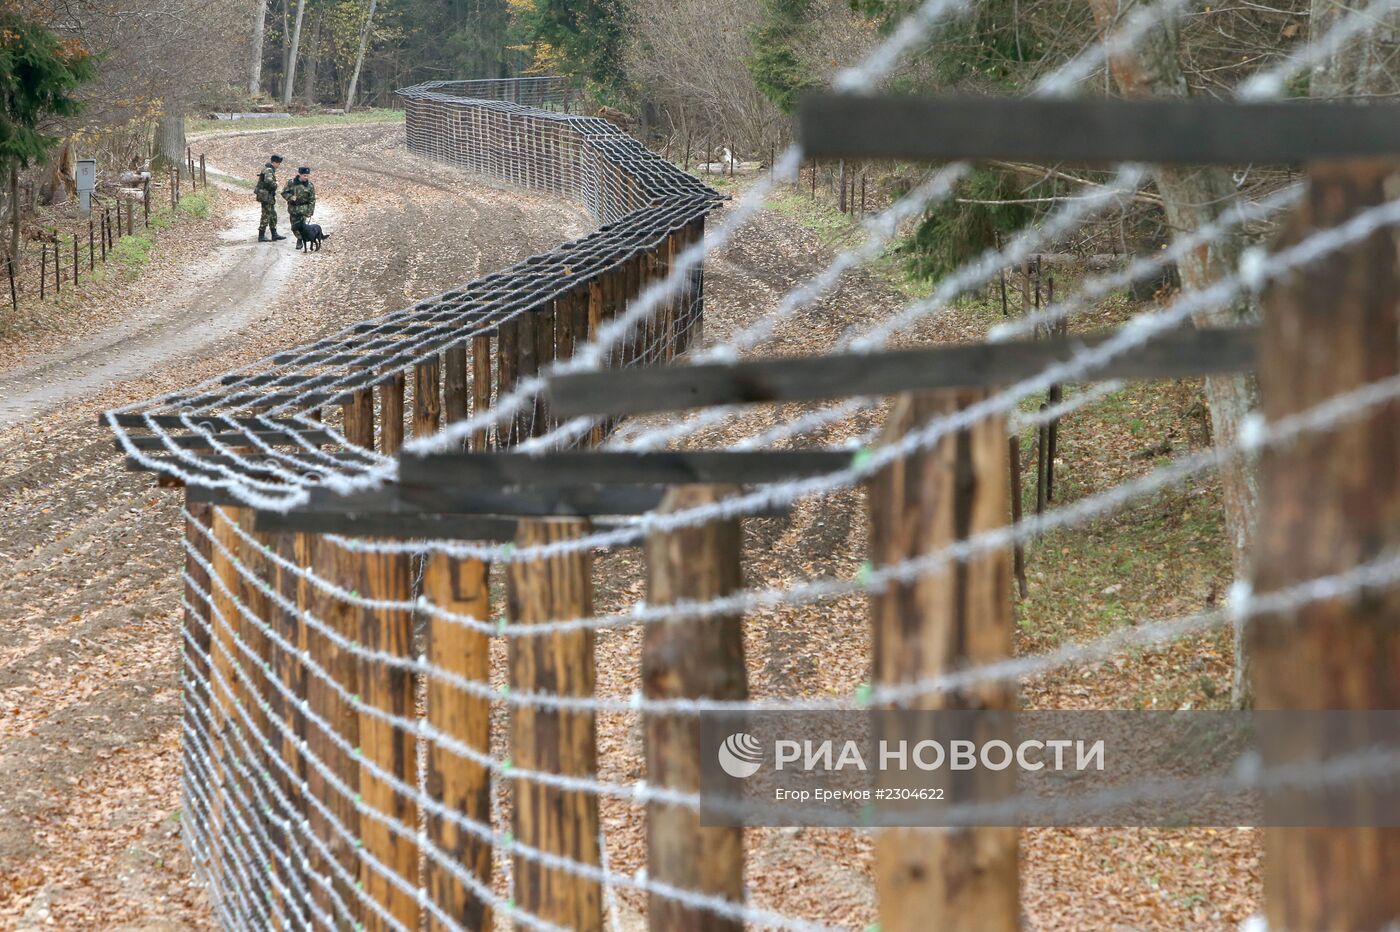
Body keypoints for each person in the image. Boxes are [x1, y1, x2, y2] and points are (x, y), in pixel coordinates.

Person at [281, 166, 316, 245]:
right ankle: (298, 237)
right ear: (299, 174)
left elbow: (312, 200)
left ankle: (300, 240)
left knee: (302, 226)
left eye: (307, 175)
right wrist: (290, 197)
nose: (306, 177)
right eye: (304, 175)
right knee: (294, 227)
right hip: (293, 209)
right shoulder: (291, 183)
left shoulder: (310, 185)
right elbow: (284, 192)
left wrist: (310, 211)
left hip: (304, 209)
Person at [255, 154, 286, 242]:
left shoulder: (269, 169)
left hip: (268, 196)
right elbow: (268, 181)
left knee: (273, 215)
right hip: (266, 196)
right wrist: (276, 184)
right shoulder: (269, 170)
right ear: (275, 162)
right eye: (278, 163)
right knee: (266, 215)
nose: (279, 165)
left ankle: (274, 234)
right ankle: (261, 236)